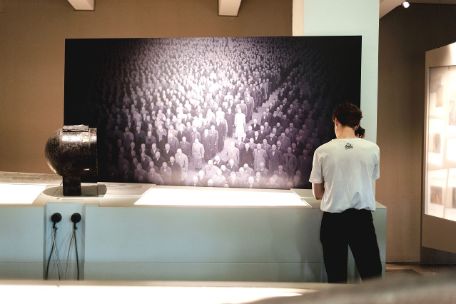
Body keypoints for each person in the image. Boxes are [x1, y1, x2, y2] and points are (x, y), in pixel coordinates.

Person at [309, 102, 382, 283]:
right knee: (372, 275)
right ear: (357, 124)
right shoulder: (373, 149)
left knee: (336, 278)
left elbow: (317, 193)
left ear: (336, 121)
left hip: (333, 220)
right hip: (362, 219)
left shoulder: (322, 151)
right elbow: (371, 178)